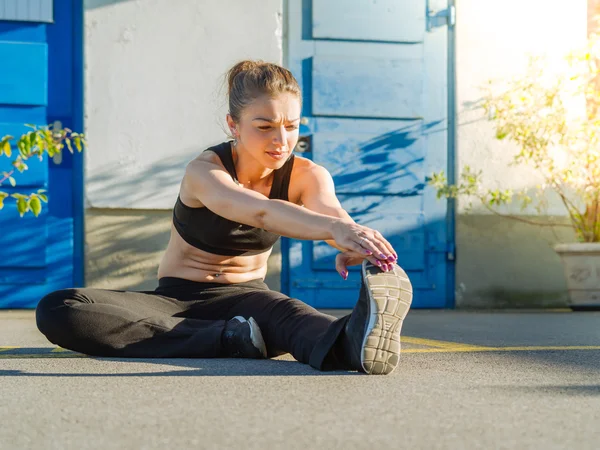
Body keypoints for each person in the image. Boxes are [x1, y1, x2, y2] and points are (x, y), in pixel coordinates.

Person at [35, 60, 413, 375]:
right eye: (264, 127)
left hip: (248, 299)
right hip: (174, 301)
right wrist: (333, 229)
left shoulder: (308, 175)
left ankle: (357, 339)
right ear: (233, 125)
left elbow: (330, 215)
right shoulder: (205, 172)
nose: (280, 140)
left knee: (301, 322)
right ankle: (227, 338)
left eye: (292, 126)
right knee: (60, 310)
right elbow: (260, 211)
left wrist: (355, 241)